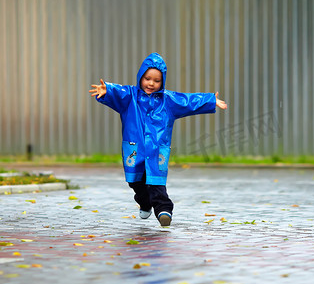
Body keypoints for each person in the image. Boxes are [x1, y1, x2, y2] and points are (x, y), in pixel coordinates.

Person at [89, 52, 227, 226]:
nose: (151, 84)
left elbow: (188, 101)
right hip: (134, 149)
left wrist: (209, 100)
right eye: (147, 78)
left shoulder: (168, 101)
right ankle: (145, 203)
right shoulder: (129, 97)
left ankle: (164, 210)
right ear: (141, 77)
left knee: (156, 182)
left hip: (156, 150)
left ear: (162, 82)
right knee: (135, 182)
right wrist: (107, 90)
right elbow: (118, 91)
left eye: (156, 81)